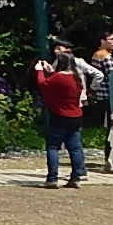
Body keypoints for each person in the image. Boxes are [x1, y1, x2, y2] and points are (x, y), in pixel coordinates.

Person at [34, 52, 86, 189]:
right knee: (74, 148)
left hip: (59, 116)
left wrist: (39, 71)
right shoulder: (76, 78)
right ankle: (76, 177)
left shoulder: (59, 77)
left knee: (53, 147)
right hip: (76, 116)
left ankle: (52, 178)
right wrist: (51, 73)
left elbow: (43, 84)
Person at [87, 29, 113, 172]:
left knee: (109, 126)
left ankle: (110, 157)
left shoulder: (95, 55)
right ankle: (111, 158)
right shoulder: (106, 57)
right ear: (102, 41)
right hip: (110, 95)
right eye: (110, 39)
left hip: (100, 95)